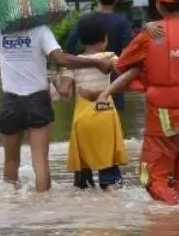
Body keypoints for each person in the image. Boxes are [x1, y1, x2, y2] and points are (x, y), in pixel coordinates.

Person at [97, 0, 179, 205]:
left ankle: (169, 221)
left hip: (161, 114)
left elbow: (123, 64)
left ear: (159, 5)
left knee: (153, 177)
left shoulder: (150, 35)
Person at [0, 11, 115, 193]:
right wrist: (95, 63)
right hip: (38, 98)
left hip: (10, 100)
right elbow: (61, 59)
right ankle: (44, 208)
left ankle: (11, 207)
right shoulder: (40, 30)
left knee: (10, 160)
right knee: (40, 159)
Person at [53, 14, 127, 190]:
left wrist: (55, 79)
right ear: (105, 38)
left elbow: (64, 92)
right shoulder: (110, 57)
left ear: (82, 40)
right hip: (105, 115)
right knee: (109, 173)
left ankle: (83, 185)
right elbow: (125, 77)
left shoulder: (73, 63)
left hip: (82, 120)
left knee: (82, 183)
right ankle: (110, 186)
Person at [67, 0, 134, 109]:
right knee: (115, 114)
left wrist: (82, 60)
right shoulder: (122, 21)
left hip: (86, 76)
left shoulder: (86, 20)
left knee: (85, 110)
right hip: (114, 78)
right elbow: (129, 50)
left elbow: (70, 44)